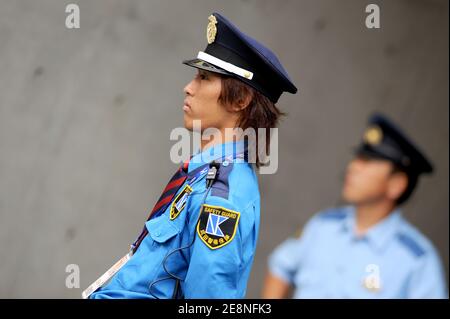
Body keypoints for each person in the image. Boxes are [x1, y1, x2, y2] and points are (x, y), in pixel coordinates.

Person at [85, 12, 297, 299]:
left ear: (240, 99)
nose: (189, 87)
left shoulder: (225, 196)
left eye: (204, 77)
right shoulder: (203, 172)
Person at [263, 114, 447, 299]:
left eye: (366, 162)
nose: (353, 167)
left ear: (396, 184)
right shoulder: (323, 225)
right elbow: (281, 267)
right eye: (357, 158)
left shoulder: (416, 260)